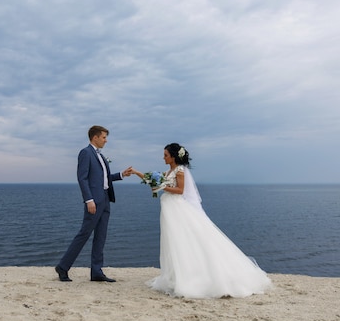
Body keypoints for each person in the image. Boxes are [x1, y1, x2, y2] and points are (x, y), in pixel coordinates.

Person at [131, 143, 272, 298]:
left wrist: (163, 186)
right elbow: (153, 181)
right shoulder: (169, 171)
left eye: (165, 155)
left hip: (177, 209)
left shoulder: (179, 170)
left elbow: (180, 190)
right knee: (174, 241)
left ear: (173, 156)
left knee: (183, 240)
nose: (163, 157)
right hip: (169, 209)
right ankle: (176, 275)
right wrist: (137, 172)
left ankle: (193, 276)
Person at [55, 125, 133, 283]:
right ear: (95, 137)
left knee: (101, 236)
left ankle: (96, 272)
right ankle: (63, 267)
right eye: (104, 137)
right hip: (94, 201)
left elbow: (103, 178)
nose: (106, 140)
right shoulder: (85, 153)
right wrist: (88, 200)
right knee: (84, 234)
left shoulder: (101, 156)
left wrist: (121, 175)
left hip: (105, 199)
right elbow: (82, 178)